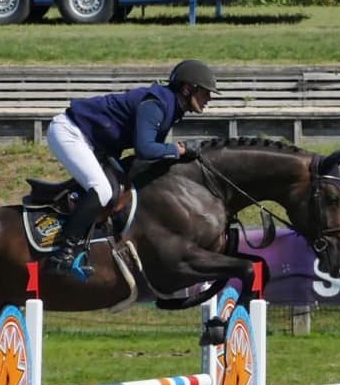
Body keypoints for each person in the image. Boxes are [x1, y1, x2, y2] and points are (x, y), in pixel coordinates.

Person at [43, 59, 220, 279]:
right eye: (205, 93)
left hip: (96, 143)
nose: (209, 99)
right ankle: (63, 253)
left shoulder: (171, 107)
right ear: (187, 89)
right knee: (102, 190)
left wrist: (176, 152)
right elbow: (145, 148)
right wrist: (179, 150)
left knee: (122, 189)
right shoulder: (156, 104)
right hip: (70, 132)